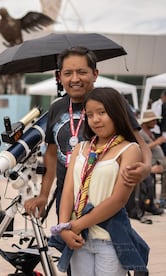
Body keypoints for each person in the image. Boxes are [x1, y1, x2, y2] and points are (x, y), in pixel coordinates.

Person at [24, 46, 151, 218]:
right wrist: (44, 194)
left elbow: (140, 142)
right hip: (67, 196)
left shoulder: (112, 102)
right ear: (59, 77)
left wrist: (146, 168)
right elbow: (51, 154)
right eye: (68, 73)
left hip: (104, 196)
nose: (75, 79)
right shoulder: (57, 107)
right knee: (67, 240)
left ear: (95, 74)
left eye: (82, 72)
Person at [54, 87, 149, 275]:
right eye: (89, 115)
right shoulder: (80, 148)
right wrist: (64, 227)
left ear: (116, 113)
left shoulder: (129, 149)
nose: (95, 119)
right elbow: (68, 190)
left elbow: (118, 200)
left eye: (102, 112)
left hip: (110, 239)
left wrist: (75, 225)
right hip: (79, 238)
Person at [138, 110, 165, 215]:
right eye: (153, 120)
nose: (155, 122)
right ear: (146, 122)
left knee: (153, 183)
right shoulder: (141, 133)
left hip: (156, 161)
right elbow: (142, 148)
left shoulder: (150, 133)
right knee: (149, 183)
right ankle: (150, 204)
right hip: (150, 163)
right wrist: (157, 142)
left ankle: (154, 202)